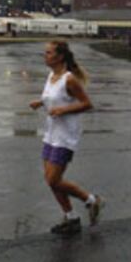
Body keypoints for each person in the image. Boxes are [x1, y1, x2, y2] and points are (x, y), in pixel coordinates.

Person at [30, 40, 103, 234]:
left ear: (60, 56)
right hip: (51, 133)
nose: (45, 56)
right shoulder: (52, 75)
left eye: (49, 53)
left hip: (65, 136)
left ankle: (92, 200)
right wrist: (40, 102)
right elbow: (51, 98)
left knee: (54, 180)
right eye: (45, 52)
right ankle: (71, 217)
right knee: (50, 179)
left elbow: (87, 104)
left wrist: (64, 110)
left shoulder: (69, 79)